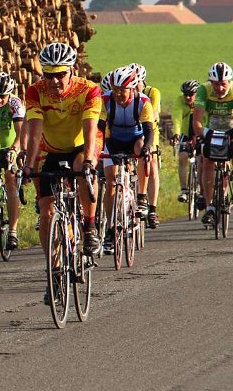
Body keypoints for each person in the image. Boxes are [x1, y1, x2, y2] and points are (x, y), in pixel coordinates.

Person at [21, 42, 102, 303]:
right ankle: (54, 271)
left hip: (80, 145)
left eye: (60, 74)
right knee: (46, 211)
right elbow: (34, 131)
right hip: (50, 149)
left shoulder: (88, 89)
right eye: (49, 75)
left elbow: (90, 129)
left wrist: (89, 161)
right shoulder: (35, 91)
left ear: (71, 70)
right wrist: (29, 166)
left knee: (82, 169)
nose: (54, 81)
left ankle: (89, 228)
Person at [99, 65, 155, 254]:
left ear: (131, 88)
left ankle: (142, 197)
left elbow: (148, 130)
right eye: (115, 89)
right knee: (110, 182)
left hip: (135, 139)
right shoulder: (105, 100)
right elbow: (100, 127)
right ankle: (110, 229)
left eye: (122, 90)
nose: (118, 94)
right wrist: (97, 149)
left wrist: (147, 148)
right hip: (113, 140)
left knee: (143, 152)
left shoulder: (143, 102)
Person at [192, 62, 233, 226]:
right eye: (216, 84)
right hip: (212, 128)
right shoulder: (204, 89)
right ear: (211, 82)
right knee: (207, 162)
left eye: (223, 84)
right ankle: (210, 207)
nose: (220, 88)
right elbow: (197, 120)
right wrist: (202, 135)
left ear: (229, 82)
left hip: (232, 126)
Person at [0, 72, 25, 251]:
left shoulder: (15, 104)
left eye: (2, 96)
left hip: (9, 147)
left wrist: (14, 150)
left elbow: (21, 133)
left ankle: (12, 231)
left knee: (11, 182)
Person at [131, 63, 162, 228]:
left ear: (143, 81)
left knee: (152, 164)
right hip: (133, 132)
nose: (135, 86)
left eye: (137, 83)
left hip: (150, 131)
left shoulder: (152, 92)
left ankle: (153, 209)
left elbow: (153, 114)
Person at [172, 80, 201, 204]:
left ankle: (201, 188)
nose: (187, 97)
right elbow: (177, 117)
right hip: (186, 133)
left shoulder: (201, 101)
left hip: (200, 133)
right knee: (182, 158)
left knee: (201, 159)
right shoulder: (180, 101)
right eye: (185, 94)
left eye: (191, 94)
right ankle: (184, 190)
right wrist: (176, 134)